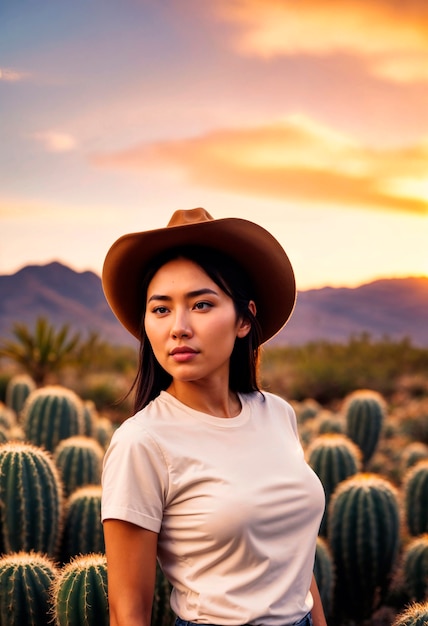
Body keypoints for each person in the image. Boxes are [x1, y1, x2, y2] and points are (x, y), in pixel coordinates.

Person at [101, 208, 327, 626]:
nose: (179, 328)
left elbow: (292, 560)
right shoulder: (143, 441)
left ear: (244, 319)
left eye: (201, 304)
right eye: (161, 309)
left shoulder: (277, 414)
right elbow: (127, 611)